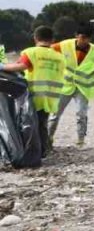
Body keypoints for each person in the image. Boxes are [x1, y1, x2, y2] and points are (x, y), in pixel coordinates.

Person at [2, 26, 65, 157]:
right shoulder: (59, 57)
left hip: (34, 95)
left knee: (30, 124)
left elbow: (21, 66)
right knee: (42, 123)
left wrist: (2, 66)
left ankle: (33, 151)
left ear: (35, 38)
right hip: (51, 97)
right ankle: (43, 150)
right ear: (52, 40)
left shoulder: (31, 52)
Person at [48, 25, 94, 147]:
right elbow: (48, 50)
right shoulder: (65, 45)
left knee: (81, 114)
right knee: (55, 114)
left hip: (83, 87)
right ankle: (48, 138)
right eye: (82, 37)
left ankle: (81, 140)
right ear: (77, 36)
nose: (84, 41)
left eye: (87, 38)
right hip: (66, 85)